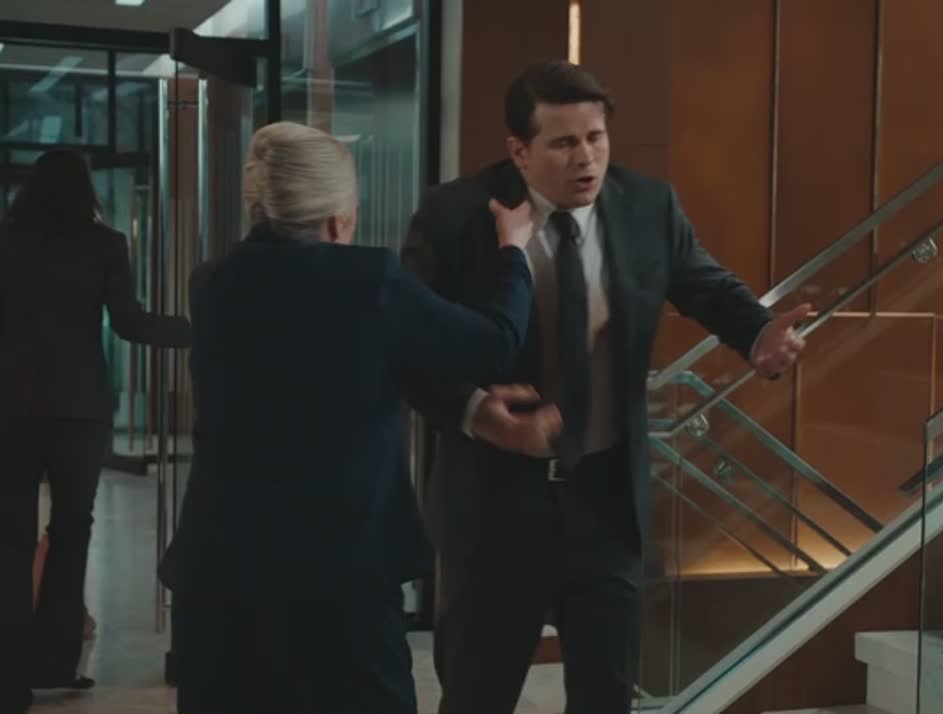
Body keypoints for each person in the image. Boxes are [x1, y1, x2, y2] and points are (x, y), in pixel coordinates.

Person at [401, 59, 810, 714]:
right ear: (519, 150)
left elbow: (706, 286)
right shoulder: (454, 216)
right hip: (495, 507)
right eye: (564, 143)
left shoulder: (647, 206)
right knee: (477, 696)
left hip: (606, 503)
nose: (586, 158)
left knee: (606, 698)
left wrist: (758, 334)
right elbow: (409, 348)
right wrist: (478, 412)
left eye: (596, 138)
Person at [157, 121, 553, 714]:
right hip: (339, 575)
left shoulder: (211, 284)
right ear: (339, 219)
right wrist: (512, 250)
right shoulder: (370, 282)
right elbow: (493, 343)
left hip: (220, 576)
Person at [0, 149, 192, 714]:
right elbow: (129, 323)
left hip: (9, 407)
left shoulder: (5, 242)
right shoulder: (105, 245)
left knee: (9, 539)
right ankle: (53, 662)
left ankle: (6, 681)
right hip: (79, 407)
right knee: (71, 530)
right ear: (85, 190)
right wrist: (195, 329)